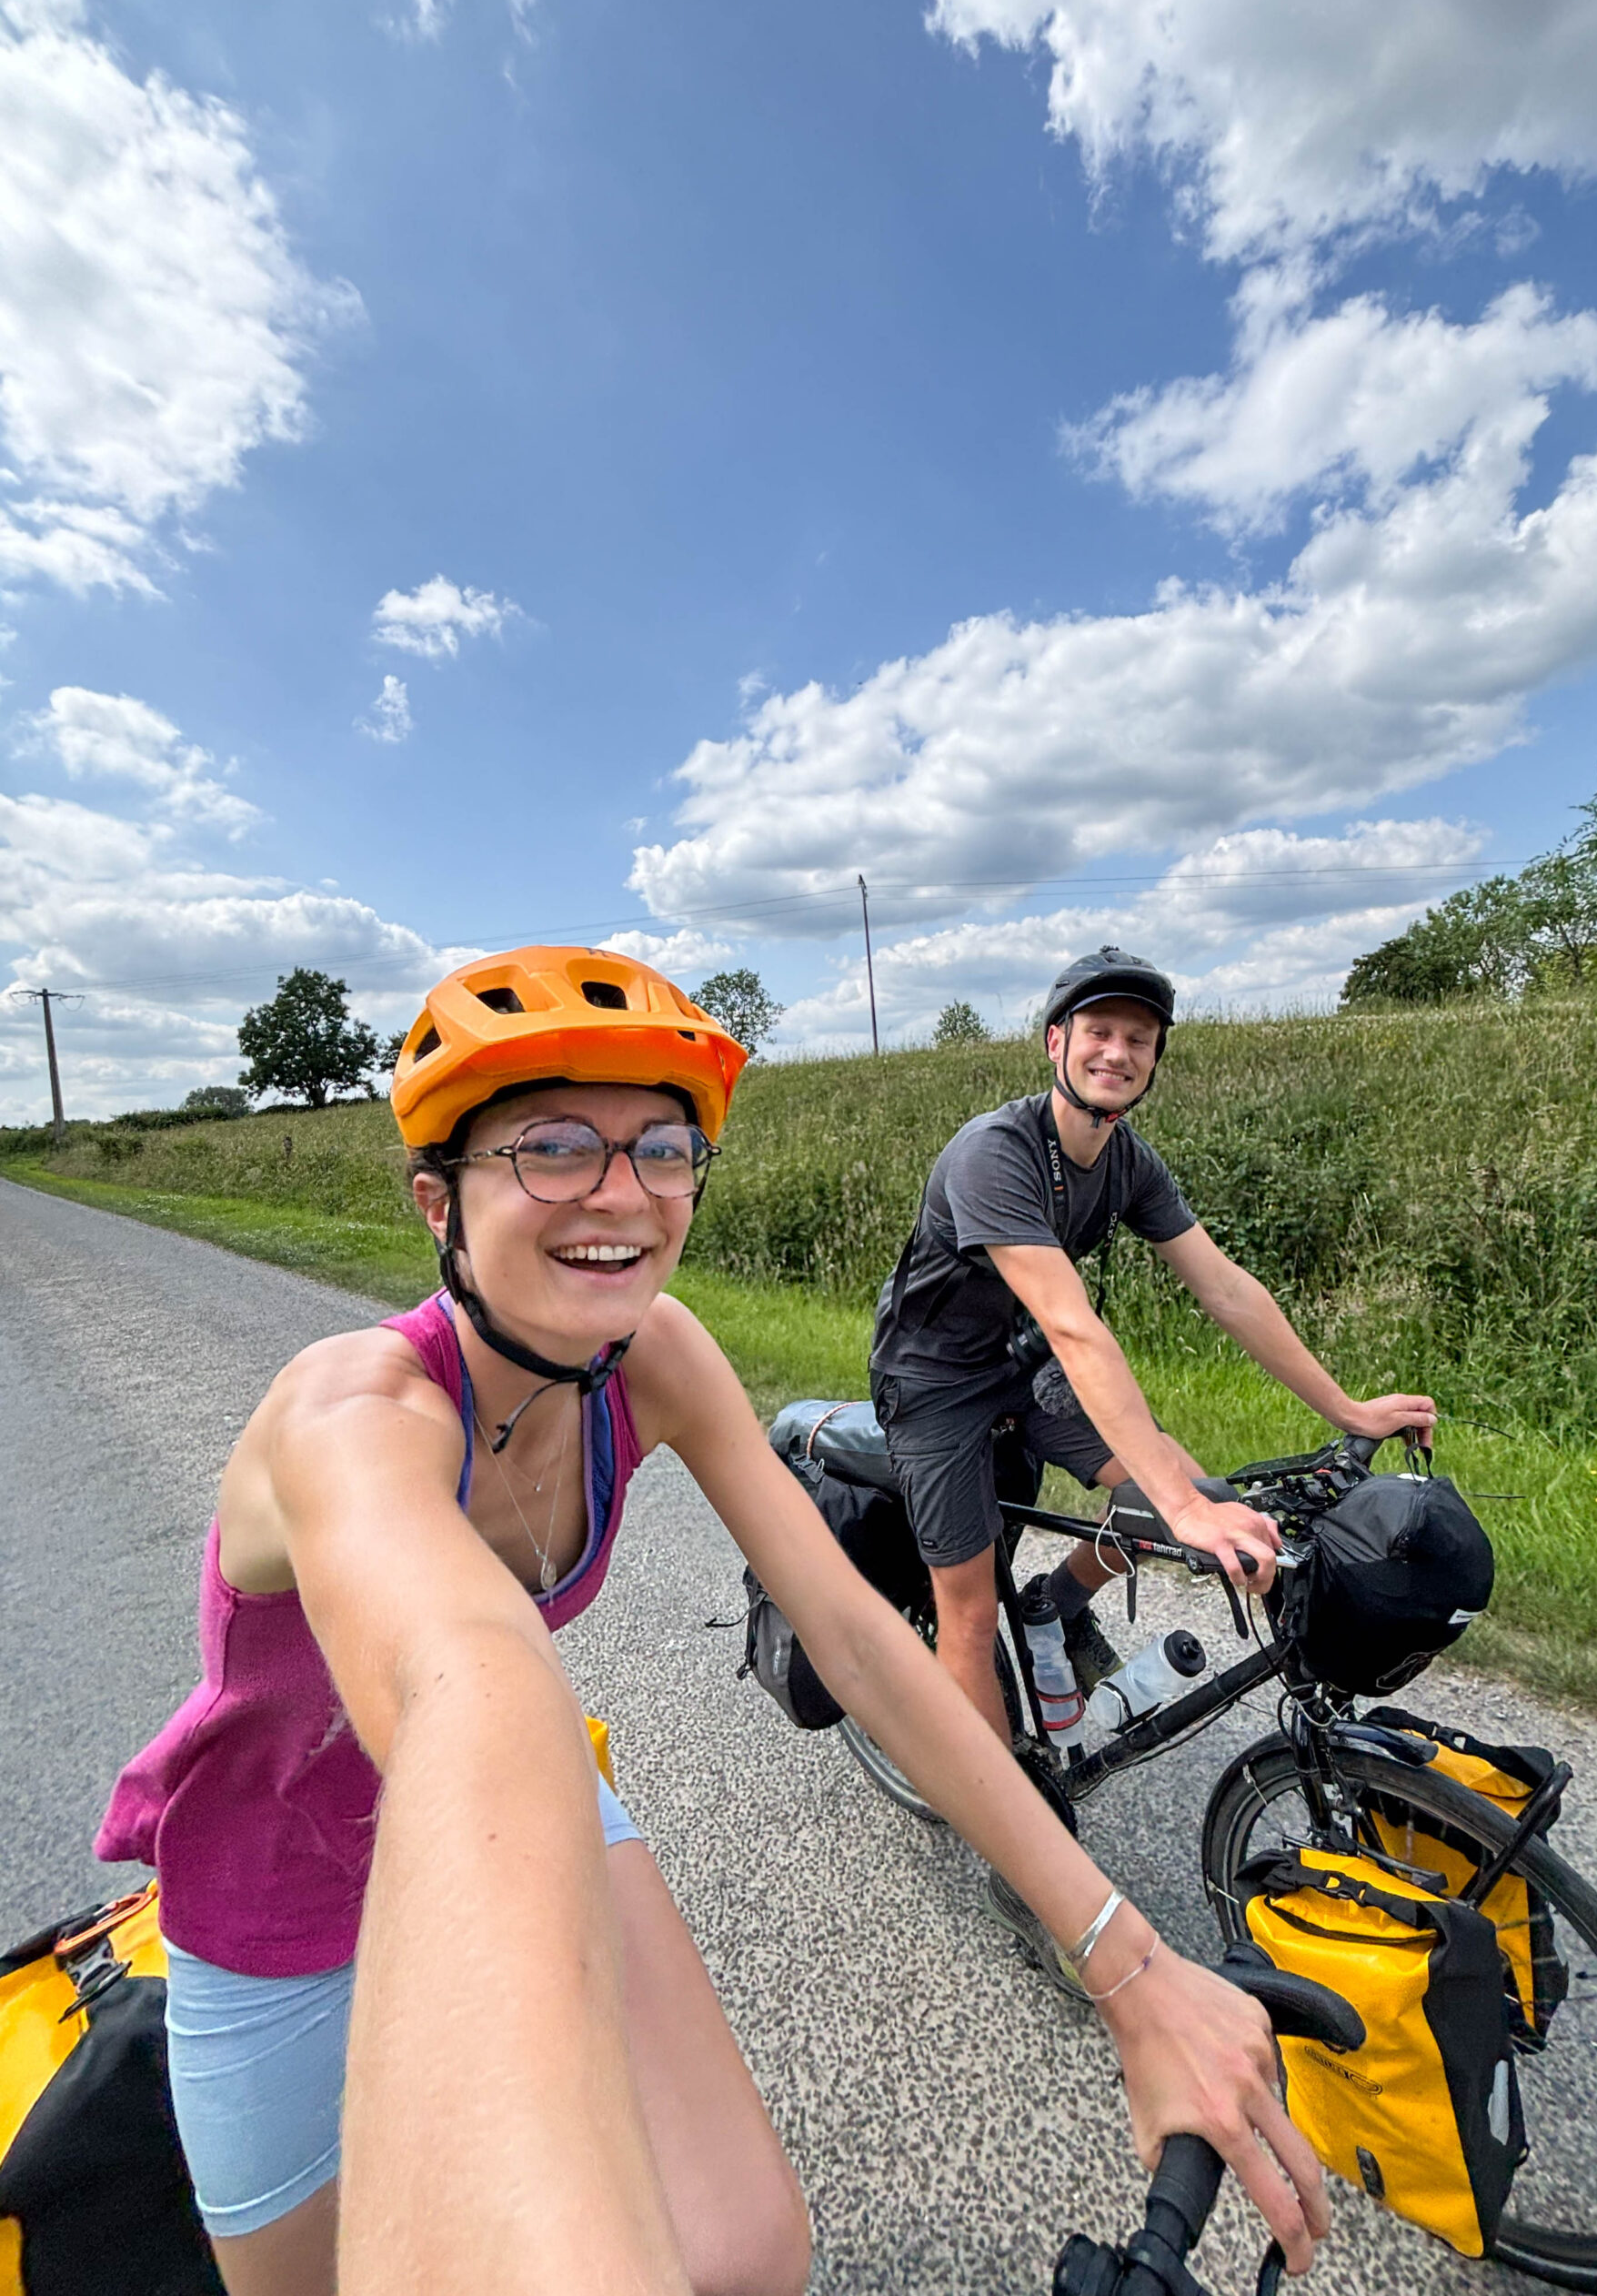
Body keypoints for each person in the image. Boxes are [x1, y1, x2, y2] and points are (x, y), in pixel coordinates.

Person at [94, 945, 1330, 2296]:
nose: (622, 1195)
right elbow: (468, 1692)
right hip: (278, 1895)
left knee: (745, 2252)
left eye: (663, 1148)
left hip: (534, 1797)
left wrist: (1131, 1967)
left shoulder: (656, 1357)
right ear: (437, 1200)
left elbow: (857, 1637)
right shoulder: (351, 1418)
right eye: (553, 1147)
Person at [868, 946, 1436, 1979]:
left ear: (1155, 1059)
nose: (1118, 1052)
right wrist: (1181, 1504)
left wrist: (1346, 1408)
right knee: (966, 1604)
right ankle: (1012, 1839)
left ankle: (1053, 1604)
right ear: (1057, 1042)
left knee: (1182, 1487)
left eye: (1139, 1038)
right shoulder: (994, 1152)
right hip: (936, 1382)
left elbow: (1225, 1288)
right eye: (1099, 1032)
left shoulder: (1126, 1161)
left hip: (1021, 1366)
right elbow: (1074, 1326)